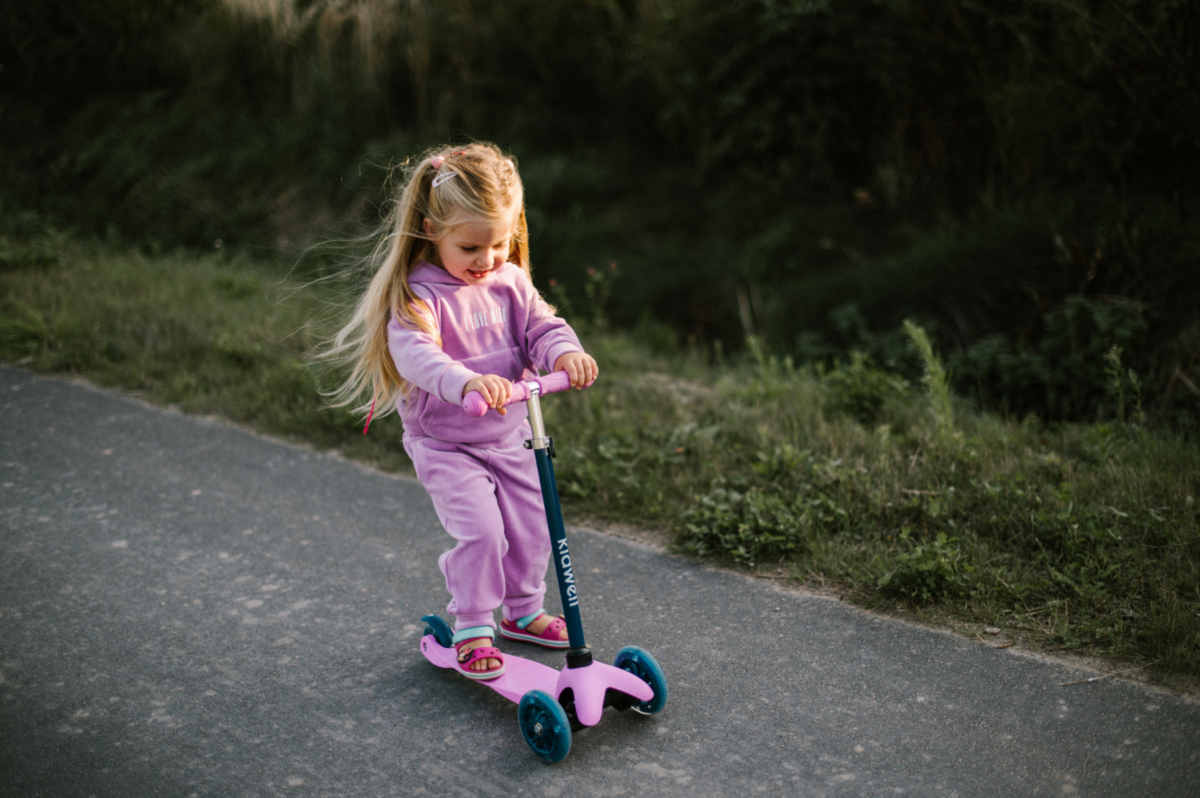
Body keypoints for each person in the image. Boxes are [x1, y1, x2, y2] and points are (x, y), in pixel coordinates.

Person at [326, 143, 598, 680]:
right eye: (471, 246)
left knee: (532, 526)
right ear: (431, 230)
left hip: (512, 432)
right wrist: (466, 381)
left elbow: (540, 327)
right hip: (445, 442)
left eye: (499, 243)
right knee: (481, 531)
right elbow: (418, 355)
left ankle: (522, 611)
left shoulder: (512, 283)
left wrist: (564, 352)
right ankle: (473, 625)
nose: (487, 259)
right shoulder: (417, 297)